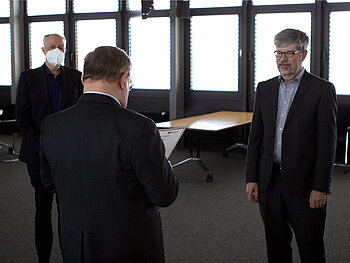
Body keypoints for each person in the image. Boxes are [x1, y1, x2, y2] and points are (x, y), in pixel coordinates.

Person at [39, 46, 179, 262]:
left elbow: (49, 183)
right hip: (129, 248)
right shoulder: (139, 128)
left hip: (77, 246)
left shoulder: (52, 125)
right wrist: (166, 168)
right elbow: (164, 195)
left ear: (84, 78)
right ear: (124, 80)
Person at [245, 28, 337, 263]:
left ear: (303, 55)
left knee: (311, 249)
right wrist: (252, 178)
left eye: (289, 53)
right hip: (270, 182)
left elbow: (327, 144)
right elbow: (256, 137)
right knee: (276, 247)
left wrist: (321, 186)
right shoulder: (264, 89)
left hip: (306, 186)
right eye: (278, 53)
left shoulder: (322, 90)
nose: (282, 59)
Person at [16, 33, 83, 262]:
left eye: (61, 47)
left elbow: (81, 115)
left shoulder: (76, 77)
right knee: (42, 209)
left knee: (68, 212)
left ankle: (69, 256)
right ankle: (42, 257)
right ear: (43, 50)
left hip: (69, 156)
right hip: (38, 154)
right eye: (52, 46)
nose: (57, 50)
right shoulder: (28, 78)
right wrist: (43, 146)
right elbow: (22, 118)